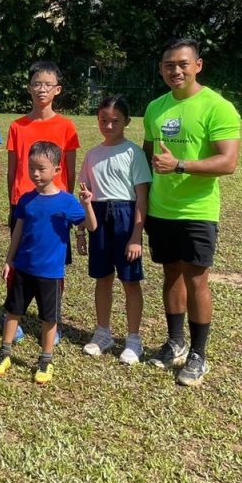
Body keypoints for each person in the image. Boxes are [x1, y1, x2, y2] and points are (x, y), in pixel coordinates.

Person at [143, 38, 240, 387]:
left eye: (183, 64)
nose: (176, 71)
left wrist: (180, 164)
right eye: (169, 65)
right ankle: (175, 341)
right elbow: (147, 154)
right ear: (161, 69)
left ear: (198, 65)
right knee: (170, 274)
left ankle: (198, 354)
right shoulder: (156, 107)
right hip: (160, 208)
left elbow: (228, 162)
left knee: (196, 277)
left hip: (197, 210)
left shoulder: (217, 106)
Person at [0, 141, 96, 385]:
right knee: (12, 311)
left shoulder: (68, 202)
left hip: (50, 273)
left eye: (41, 169)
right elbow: (17, 232)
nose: (35, 174)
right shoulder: (26, 200)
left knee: (49, 318)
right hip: (23, 268)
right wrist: (9, 260)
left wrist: (87, 204)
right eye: (31, 168)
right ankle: (4, 354)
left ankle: (46, 359)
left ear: (57, 170)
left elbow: (92, 226)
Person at [6, 61, 80, 344]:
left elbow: (70, 172)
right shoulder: (17, 126)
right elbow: (13, 169)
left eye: (47, 85)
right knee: (18, 264)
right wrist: (13, 202)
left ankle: (52, 319)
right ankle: (15, 315)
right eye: (36, 84)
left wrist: (66, 204)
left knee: (54, 267)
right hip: (24, 205)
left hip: (55, 209)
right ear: (29, 88)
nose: (41, 89)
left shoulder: (66, 126)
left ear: (57, 90)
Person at [77, 95, 151, 365]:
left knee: (130, 281)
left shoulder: (134, 153)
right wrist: (82, 232)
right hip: (99, 218)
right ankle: (103, 332)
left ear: (127, 122)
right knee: (103, 278)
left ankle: (133, 339)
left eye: (115, 121)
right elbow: (85, 197)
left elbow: (142, 197)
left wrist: (135, 236)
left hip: (125, 216)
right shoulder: (92, 154)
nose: (109, 126)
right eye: (103, 120)